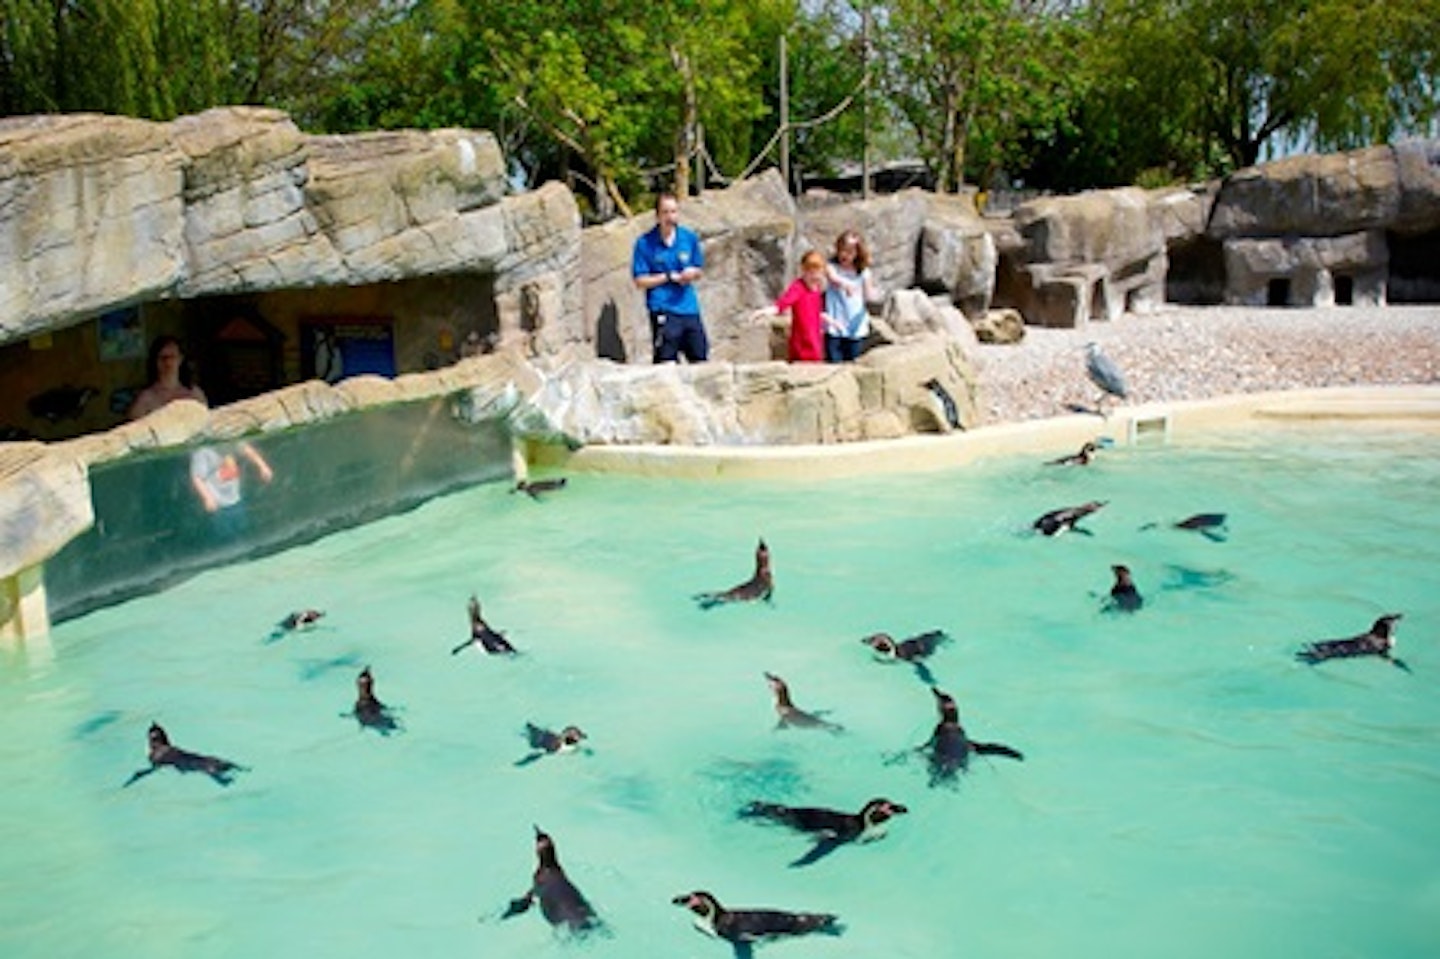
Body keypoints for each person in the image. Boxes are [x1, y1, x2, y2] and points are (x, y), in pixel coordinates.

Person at [631, 192, 708, 363]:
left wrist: (692, 273)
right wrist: (667, 277)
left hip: (689, 308)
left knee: (700, 358)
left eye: (673, 212)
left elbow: (699, 269)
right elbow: (639, 281)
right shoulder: (645, 243)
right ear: (657, 215)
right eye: (665, 212)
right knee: (666, 363)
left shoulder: (688, 238)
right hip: (662, 308)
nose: (670, 217)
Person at [751, 250, 832, 363]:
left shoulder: (816, 288)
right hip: (802, 342)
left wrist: (829, 319)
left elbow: (816, 310)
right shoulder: (798, 288)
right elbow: (784, 303)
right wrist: (766, 311)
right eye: (811, 273)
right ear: (803, 270)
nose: (815, 277)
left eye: (818, 274)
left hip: (815, 339)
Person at [823, 230, 883, 363]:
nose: (844, 255)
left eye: (849, 252)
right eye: (842, 250)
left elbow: (869, 295)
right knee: (834, 360)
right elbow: (833, 278)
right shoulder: (831, 266)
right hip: (835, 323)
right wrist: (846, 285)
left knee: (853, 360)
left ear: (857, 253)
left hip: (855, 325)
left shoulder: (863, 272)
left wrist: (875, 294)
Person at [128, 335, 207, 420]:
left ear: (180, 359)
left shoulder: (195, 393)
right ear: (155, 361)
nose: (168, 362)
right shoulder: (145, 399)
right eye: (162, 357)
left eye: (172, 356)